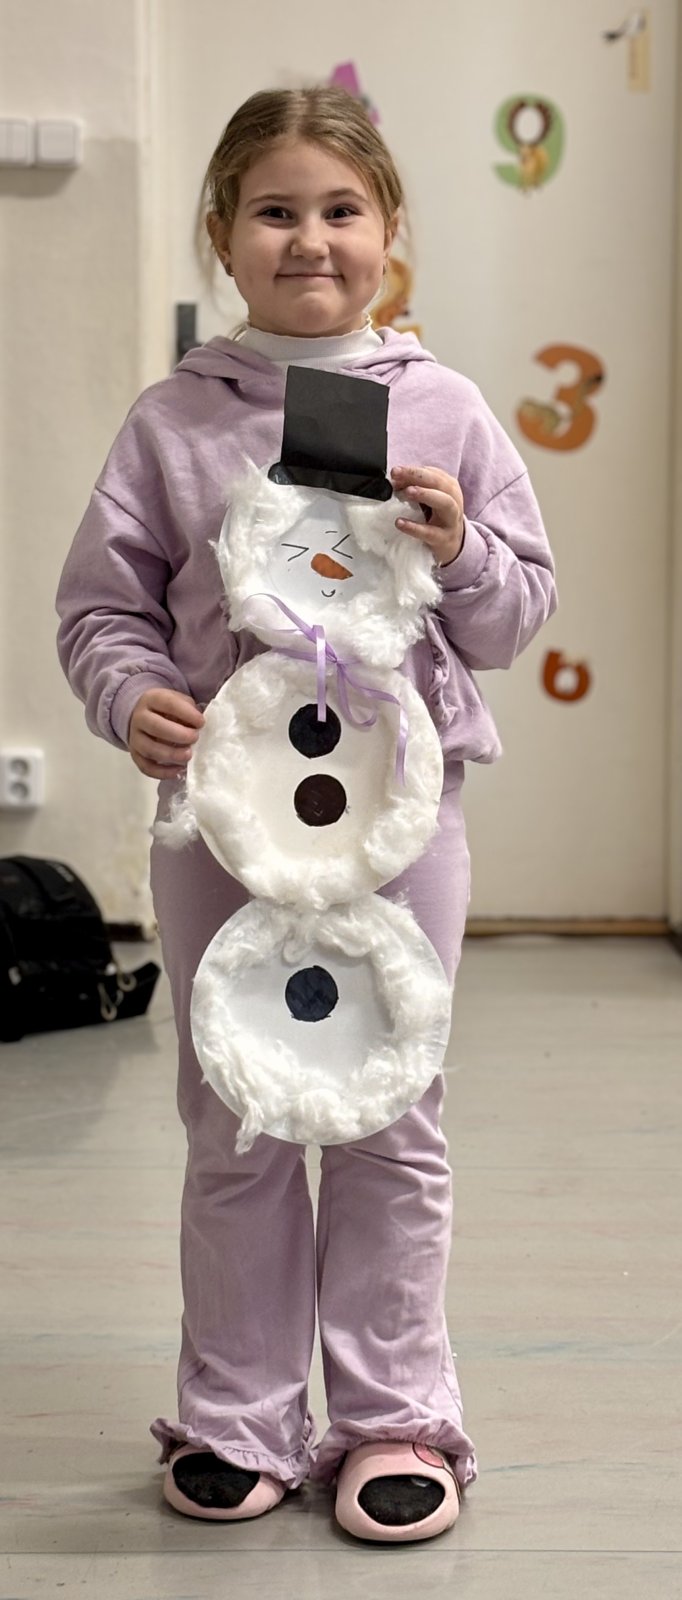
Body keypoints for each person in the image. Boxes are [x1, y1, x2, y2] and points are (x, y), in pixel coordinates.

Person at [56, 85, 556, 1543]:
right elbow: (102, 609)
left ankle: (396, 1416)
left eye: (341, 210)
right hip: (225, 827)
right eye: (275, 211)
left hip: (398, 822)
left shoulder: (446, 410)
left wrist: (461, 553)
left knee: (390, 1106)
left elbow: (517, 613)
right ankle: (237, 1414)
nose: (310, 239)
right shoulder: (172, 421)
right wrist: (133, 696)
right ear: (222, 234)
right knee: (240, 1111)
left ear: (389, 230)